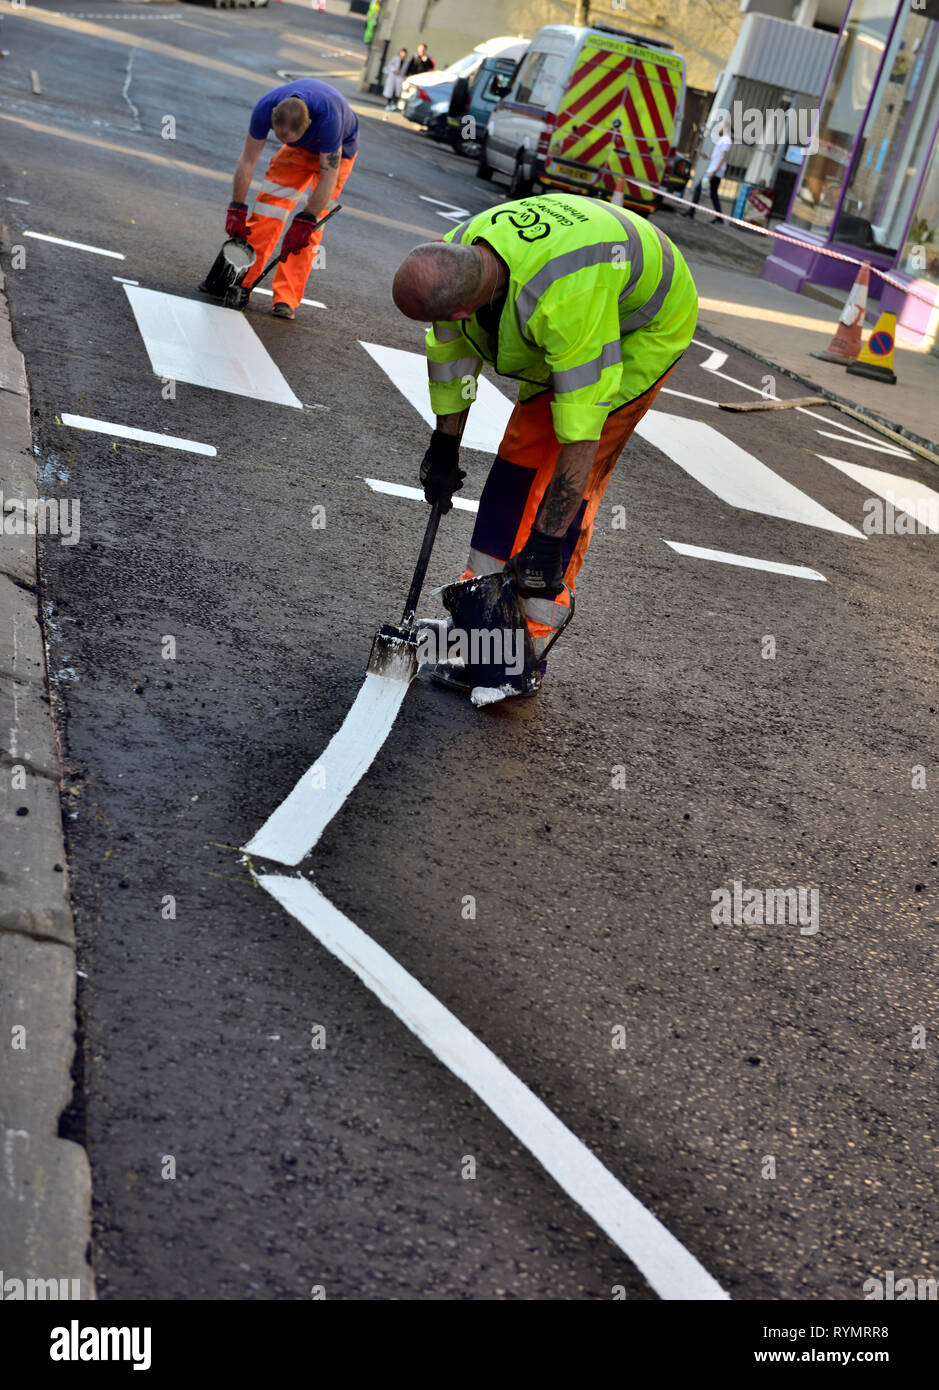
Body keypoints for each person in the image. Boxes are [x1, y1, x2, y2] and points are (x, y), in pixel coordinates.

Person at [392, 194, 698, 696]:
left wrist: (548, 540)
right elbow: (450, 353)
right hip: (583, 288)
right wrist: (444, 447)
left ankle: (526, 647)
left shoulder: (563, 301)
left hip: (642, 326)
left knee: (561, 474)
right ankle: (488, 633)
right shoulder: (453, 257)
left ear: (466, 306)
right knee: (515, 468)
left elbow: (582, 429)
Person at [223, 80, 358, 319]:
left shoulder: (329, 120)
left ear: (308, 124)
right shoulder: (266, 107)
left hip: (337, 156)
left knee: (310, 230)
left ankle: (286, 299)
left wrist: (306, 219)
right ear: (274, 116)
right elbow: (248, 160)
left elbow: (329, 174)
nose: (283, 142)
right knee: (267, 211)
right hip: (300, 150)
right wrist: (237, 208)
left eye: (289, 138)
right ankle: (242, 282)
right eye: (280, 137)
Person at [684, 121, 732, 223]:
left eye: (720, 127)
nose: (719, 128)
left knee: (698, 189)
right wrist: (709, 157)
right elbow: (718, 157)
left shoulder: (726, 140)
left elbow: (723, 157)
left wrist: (714, 171)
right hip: (714, 171)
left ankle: (691, 213)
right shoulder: (723, 140)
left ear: (725, 128)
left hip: (714, 172)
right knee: (713, 194)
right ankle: (719, 218)